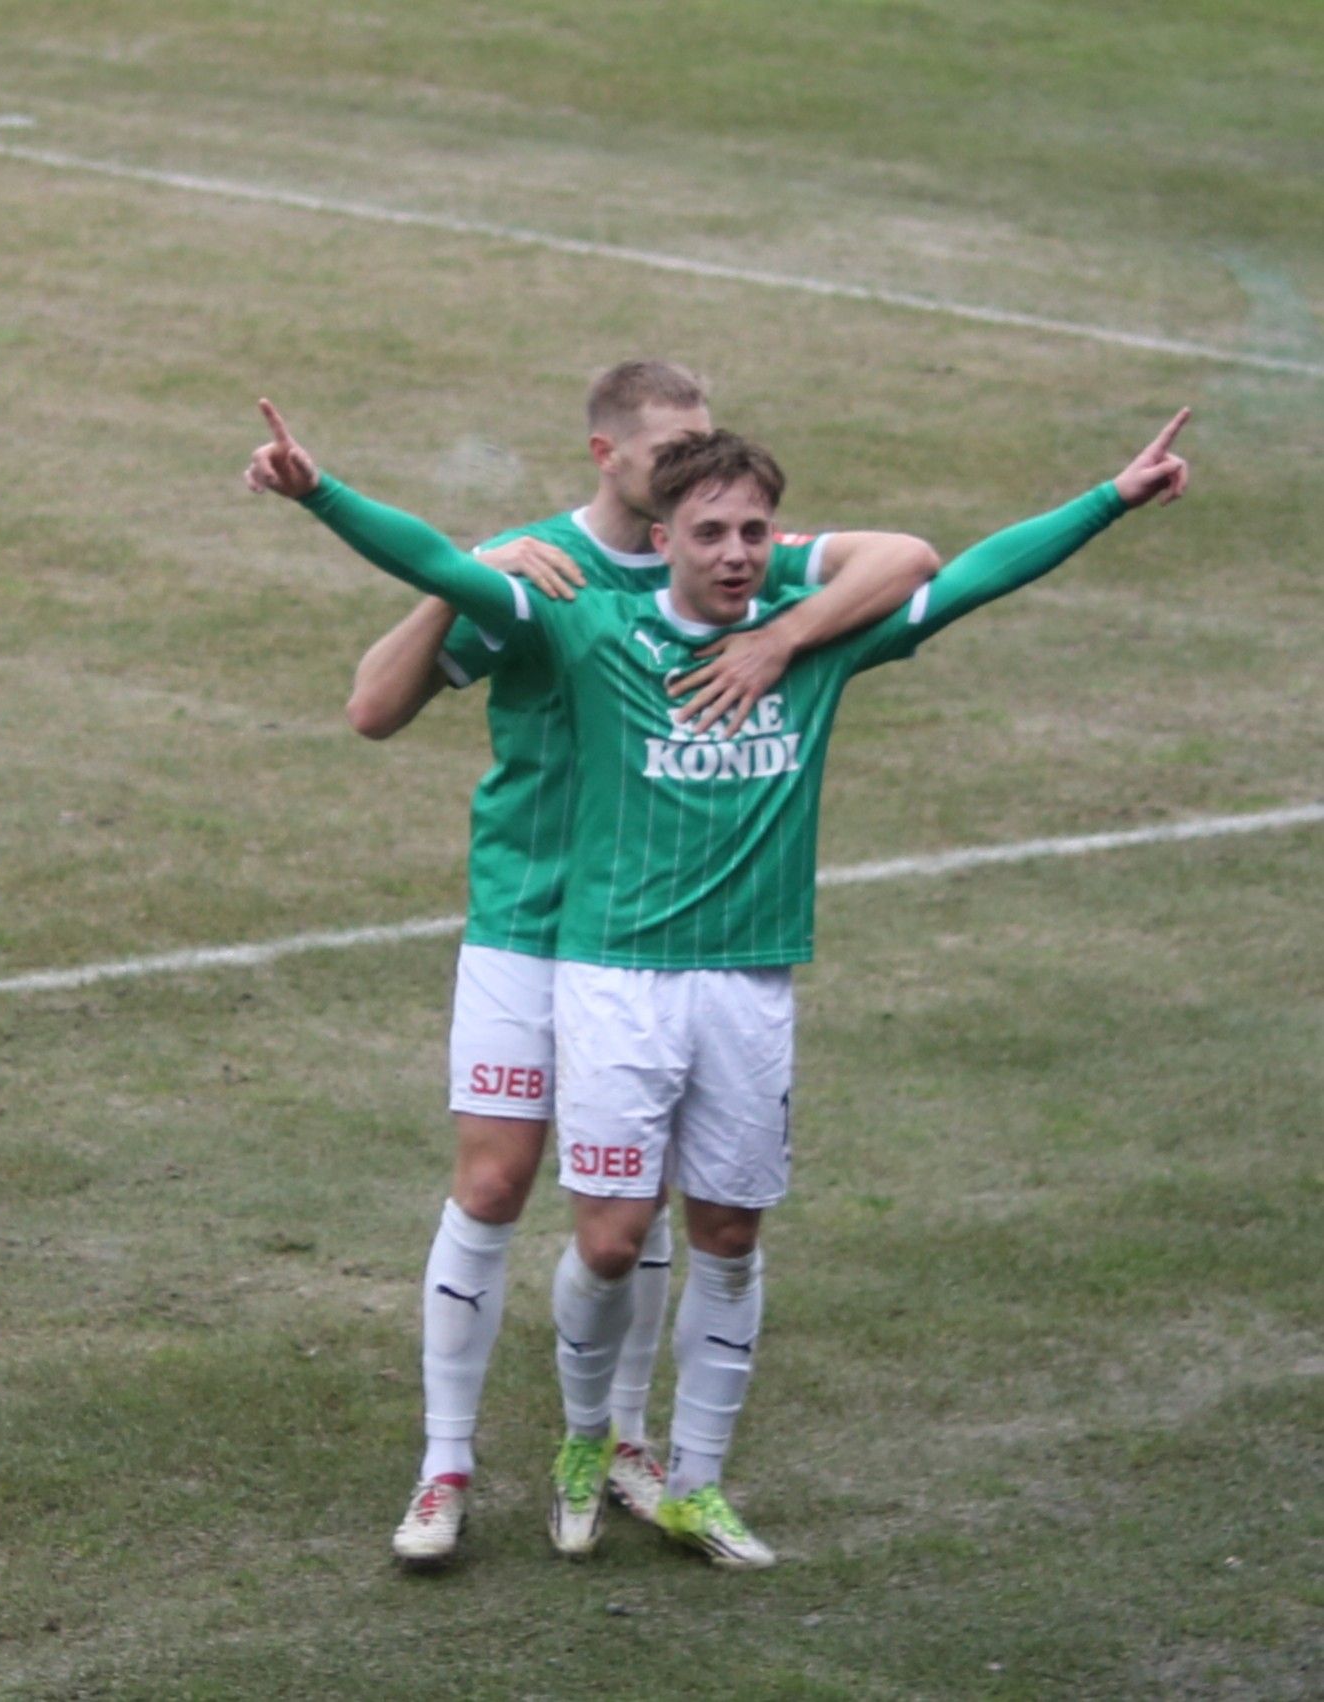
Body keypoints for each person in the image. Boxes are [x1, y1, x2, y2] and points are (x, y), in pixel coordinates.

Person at [253, 399, 1190, 1568]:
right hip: (612, 982)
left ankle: (693, 1478)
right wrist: (317, 491)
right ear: (666, 537)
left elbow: (970, 574)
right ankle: (584, 1439)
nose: (737, 554)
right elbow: (434, 573)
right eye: (711, 534)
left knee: (732, 1230)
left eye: (755, 533)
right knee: (607, 1238)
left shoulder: (818, 637)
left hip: (748, 981)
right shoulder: (594, 630)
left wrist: (1109, 497)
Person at [273, 365, 939, 1566]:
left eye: (708, 450)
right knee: (492, 1187)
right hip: (530, 924)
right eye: (670, 450)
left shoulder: (739, 554)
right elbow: (373, 709)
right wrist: (459, 579)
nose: (695, 471)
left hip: (665, 941)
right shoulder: (548, 570)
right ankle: (444, 1463)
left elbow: (915, 565)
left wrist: (786, 634)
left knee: (641, 1200)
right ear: (606, 454)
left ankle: (626, 1441)